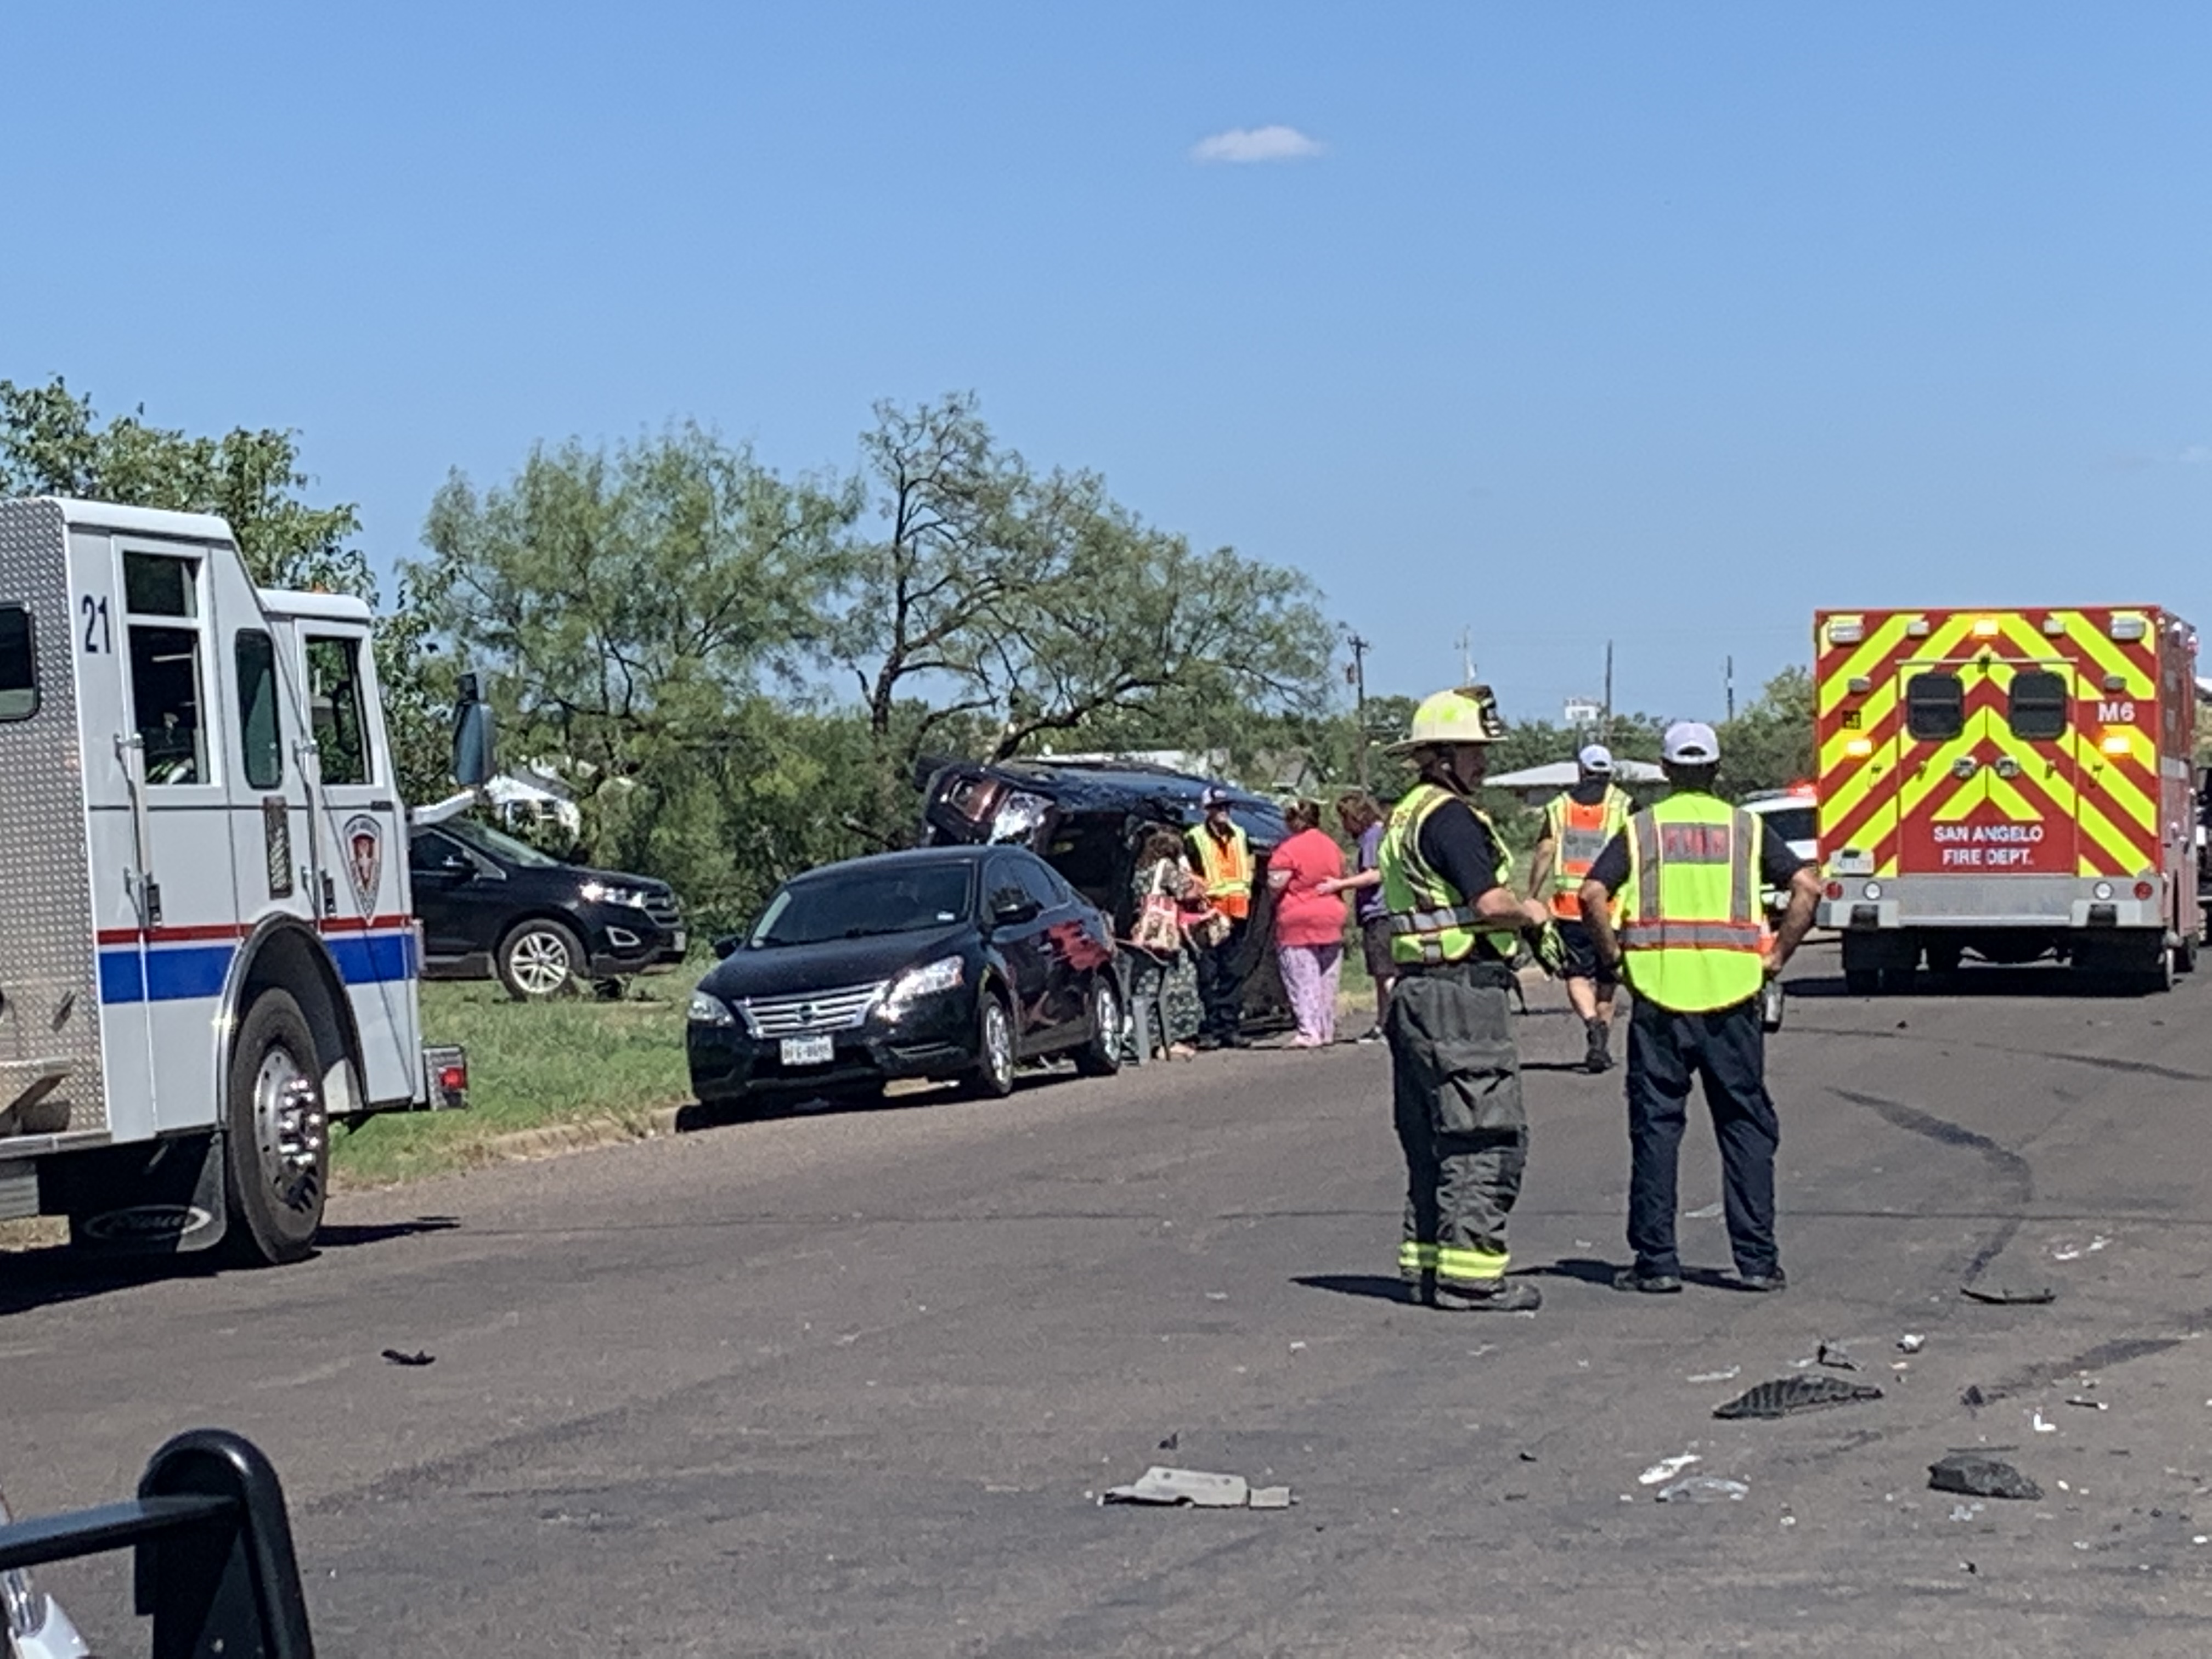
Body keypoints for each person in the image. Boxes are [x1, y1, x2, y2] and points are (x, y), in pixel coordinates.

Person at [1578, 721, 1821, 1296]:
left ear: (1666, 772)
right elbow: (1807, 888)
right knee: (1745, 1127)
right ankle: (1757, 1261)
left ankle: (1658, 1262)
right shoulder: (1747, 829)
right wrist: (1776, 957)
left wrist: (1613, 959)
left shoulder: (1644, 830)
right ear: (1716, 770)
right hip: (1734, 1000)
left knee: (1657, 1129)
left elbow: (1591, 894)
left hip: (1660, 999)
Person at [1379, 687, 1555, 1313]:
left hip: (1416, 992)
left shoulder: (1404, 814)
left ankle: (1429, 1268)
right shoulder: (1451, 818)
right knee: (1485, 1135)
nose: (1483, 763)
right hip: (1459, 995)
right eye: (1473, 752)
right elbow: (1487, 903)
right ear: (1440, 755)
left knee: (1431, 1137)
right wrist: (1533, 912)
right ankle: (1473, 1277)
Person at [1526, 744, 1635, 1073]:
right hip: (1612, 908)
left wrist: (1531, 893)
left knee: (1576, 974)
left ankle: (1592, 1025)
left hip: (1570, 909)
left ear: (1581, 770)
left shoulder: (1559, 807)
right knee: (1608, 978)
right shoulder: (1625, 805)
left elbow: (1545, 852)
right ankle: (1601, 1037)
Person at [1266, 798, 1348, 1047]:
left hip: (1298, 920)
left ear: (1293, 821)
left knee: (1303, 978)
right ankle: (1326, 1028)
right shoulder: (1332, 846)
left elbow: (1276, 883)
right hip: (1331, 917)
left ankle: (1308, 1031)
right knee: (1327, 980)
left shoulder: (1288, 849)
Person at [1124, 825, 1203, 1060]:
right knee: (1179, 983)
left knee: (1147, 986)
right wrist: (1185, 866)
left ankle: (1146, 1040)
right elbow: (1188, 892)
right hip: (1165, 936)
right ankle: (1172, 1040)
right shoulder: (1166, 868)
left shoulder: (1141, 869)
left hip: (1145, 934)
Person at [1318, 792, 1392, 1042]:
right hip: (1380, 913)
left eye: (1345, 819)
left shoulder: (1373, 838)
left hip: (1380, 912)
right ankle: (1384, 1024)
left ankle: (1392, 1023)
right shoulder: (1379, 835)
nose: (1344, 826)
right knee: (1382, 975)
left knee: (1387, 974)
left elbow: (1374, 875)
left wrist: (1340, 884)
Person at [1185, 786, 1255, 1049]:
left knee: (1233, 971)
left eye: (1227, 807)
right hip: (1209, 913)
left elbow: (1248, 868)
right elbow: (1189, 875)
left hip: (1237, 911)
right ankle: (1210, 1027)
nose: (1224, 811)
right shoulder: (1194, 838)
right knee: (1208, 972)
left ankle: (1230, 1027)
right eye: (1219, 807)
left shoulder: (1241, 834)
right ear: (1208, 810)